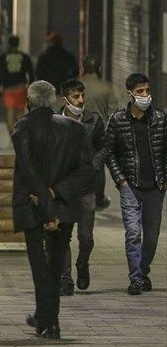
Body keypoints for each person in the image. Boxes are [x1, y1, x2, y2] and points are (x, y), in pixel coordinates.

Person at [12, 80, 90, 340]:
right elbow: (85, 170)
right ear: (55, 100)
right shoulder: (75, 129)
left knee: (40, 267)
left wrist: (46, 210)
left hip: (36, 209)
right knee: (55, 266)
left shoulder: (22, 128)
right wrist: (57, 194)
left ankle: (48, 320)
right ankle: (47, 319)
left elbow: (28, 172)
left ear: (30, 101)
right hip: (64, 207)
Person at [101, 73, 166, 295]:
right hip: (130, 186)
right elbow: (110, 153)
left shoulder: (160, 119)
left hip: (155, 187)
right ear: (130, 94)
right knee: (133, 233)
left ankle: (143, 270)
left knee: (151, 237)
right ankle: (136, 279)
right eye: (140, 92)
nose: (145, 96)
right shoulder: (118, 120)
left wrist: (163, 180)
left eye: (147, 91)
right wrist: (121, 180)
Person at [57, 79, 105, 296]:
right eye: (76, 97)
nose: (81, 100)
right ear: (65, 99)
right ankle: (65, 279)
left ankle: (82, 263)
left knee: (86, 236)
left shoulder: (93, 120)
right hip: (63, 188)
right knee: (63, 235)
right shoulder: (54, 121)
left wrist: (92, 165)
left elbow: (104, 148)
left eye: (82, 96)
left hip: (87, 187)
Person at [80, 54, 117, 210]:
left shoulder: (77, 85)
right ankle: (99, 198)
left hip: (80, 128)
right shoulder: (106, 87)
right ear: (99, 68)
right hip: (99, 129)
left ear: (83, 68)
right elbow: (113, 112)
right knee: (98, 165)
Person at [0, 35, 34, 135]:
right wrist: (30, 84)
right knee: (20, 111)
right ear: (18, 44)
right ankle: (21, 132)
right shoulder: (24, 57)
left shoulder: (3, 57)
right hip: (21, 87)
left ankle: (12, 134)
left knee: (10, 111)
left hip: (8, 88)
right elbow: (31, 72)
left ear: (9, 44)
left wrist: (0, 84)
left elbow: (0, 72)